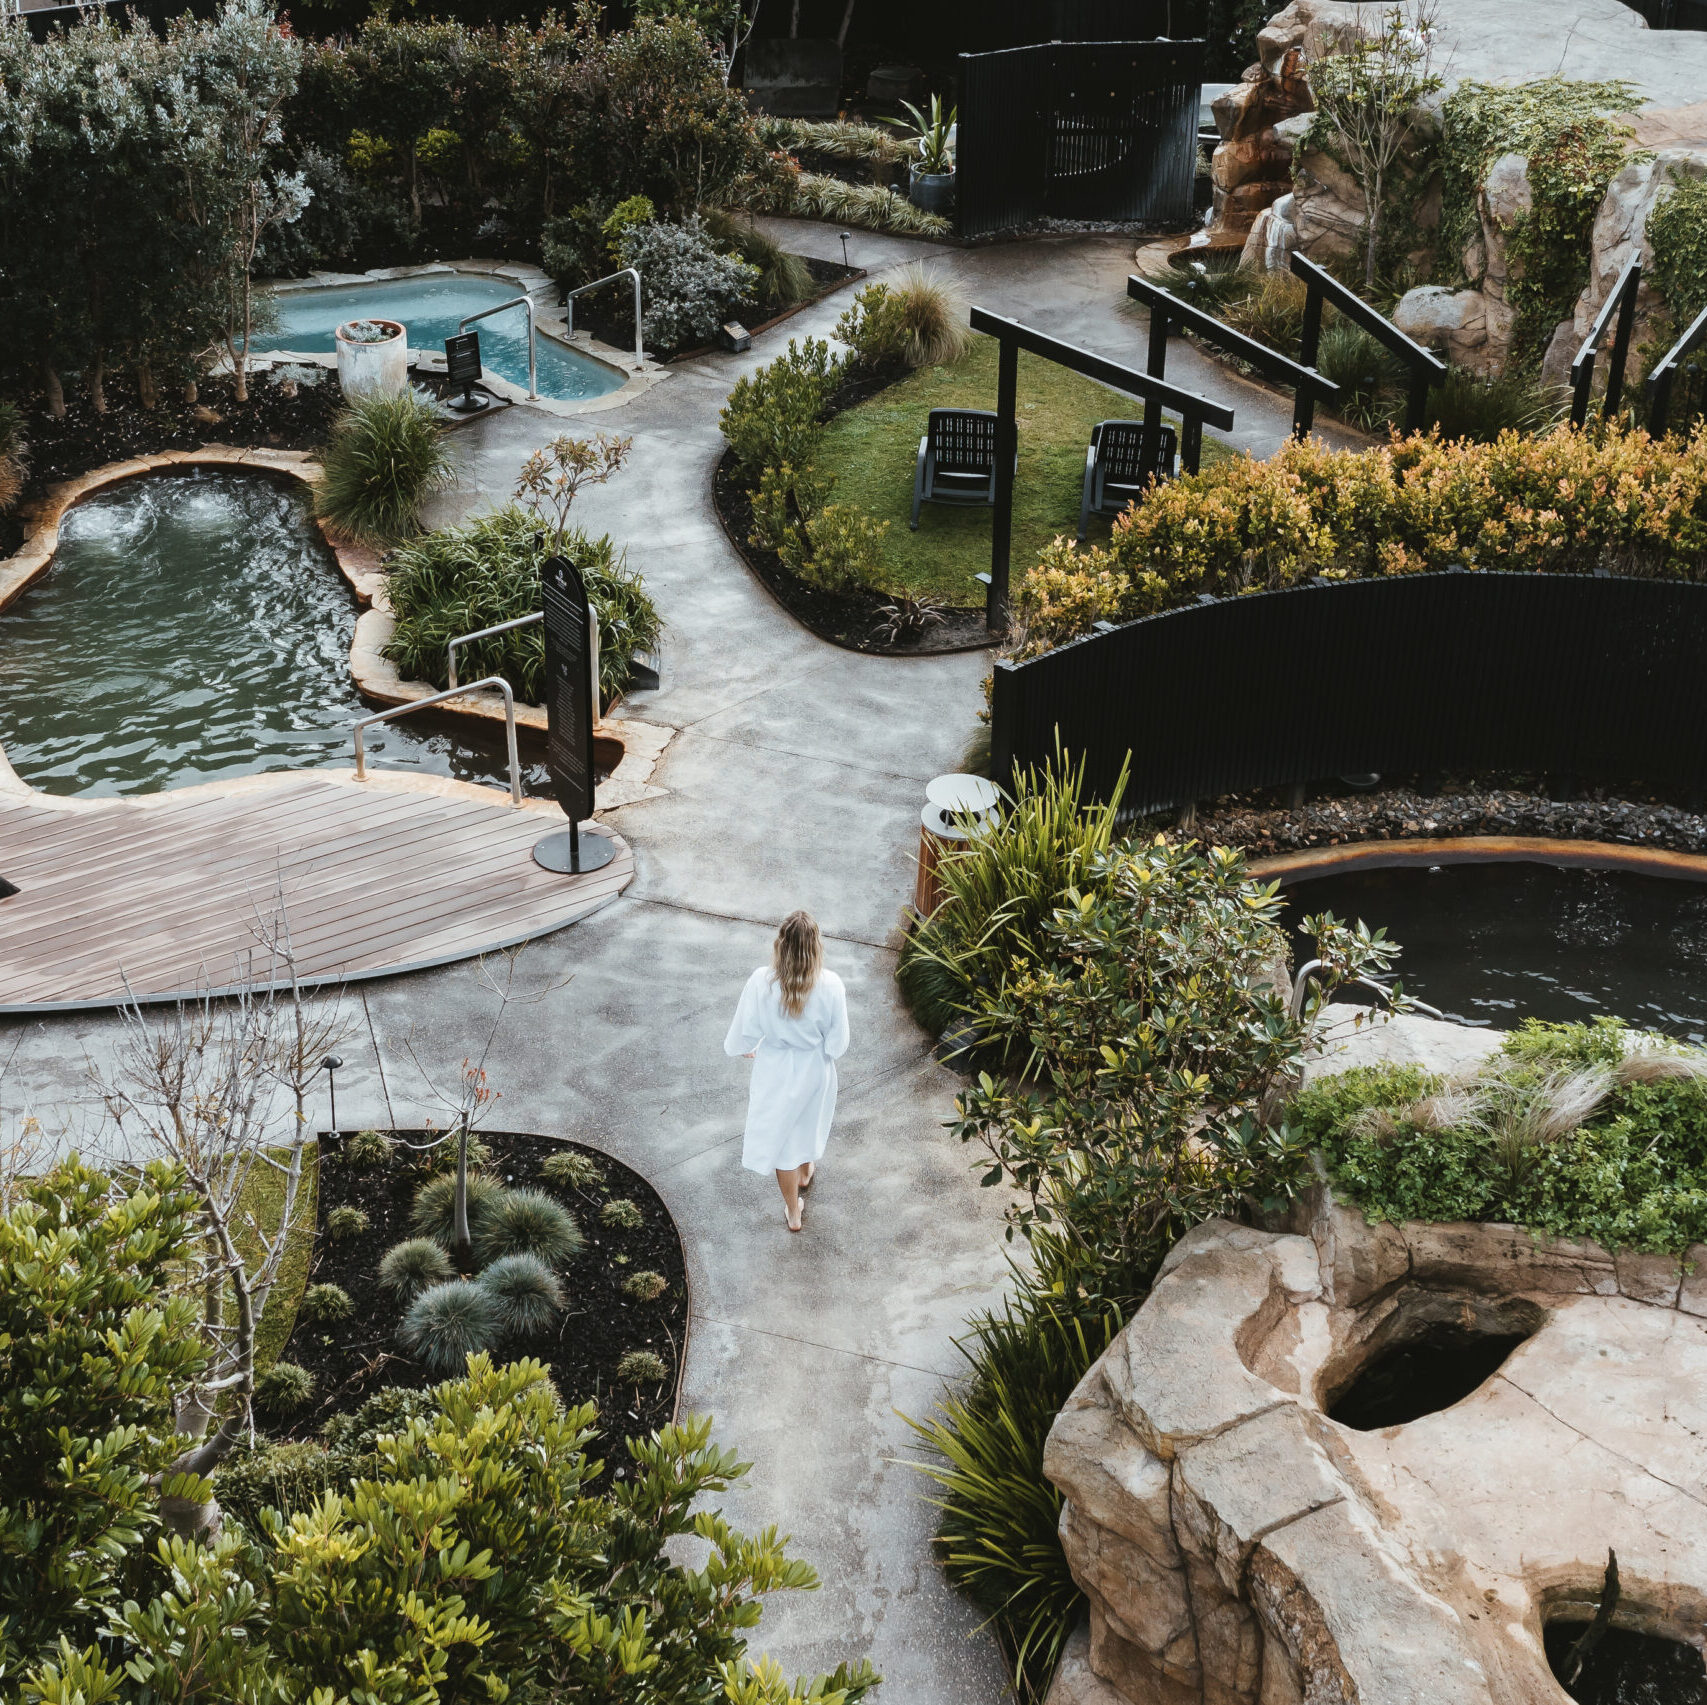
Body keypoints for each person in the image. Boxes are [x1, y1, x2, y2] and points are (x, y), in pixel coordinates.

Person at [723, 910, 849, 1232]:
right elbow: (838, 1044)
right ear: (816, 947)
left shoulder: (762, 981)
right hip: (814, 1069)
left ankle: (793, 1212)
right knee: (808, 1123)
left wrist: (744, 1047)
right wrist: (823, 1051)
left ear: (780, 944)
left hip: (776, 1070)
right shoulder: (831, 985)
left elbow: (744, 1031)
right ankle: (806, 1172)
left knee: (784, 1142)